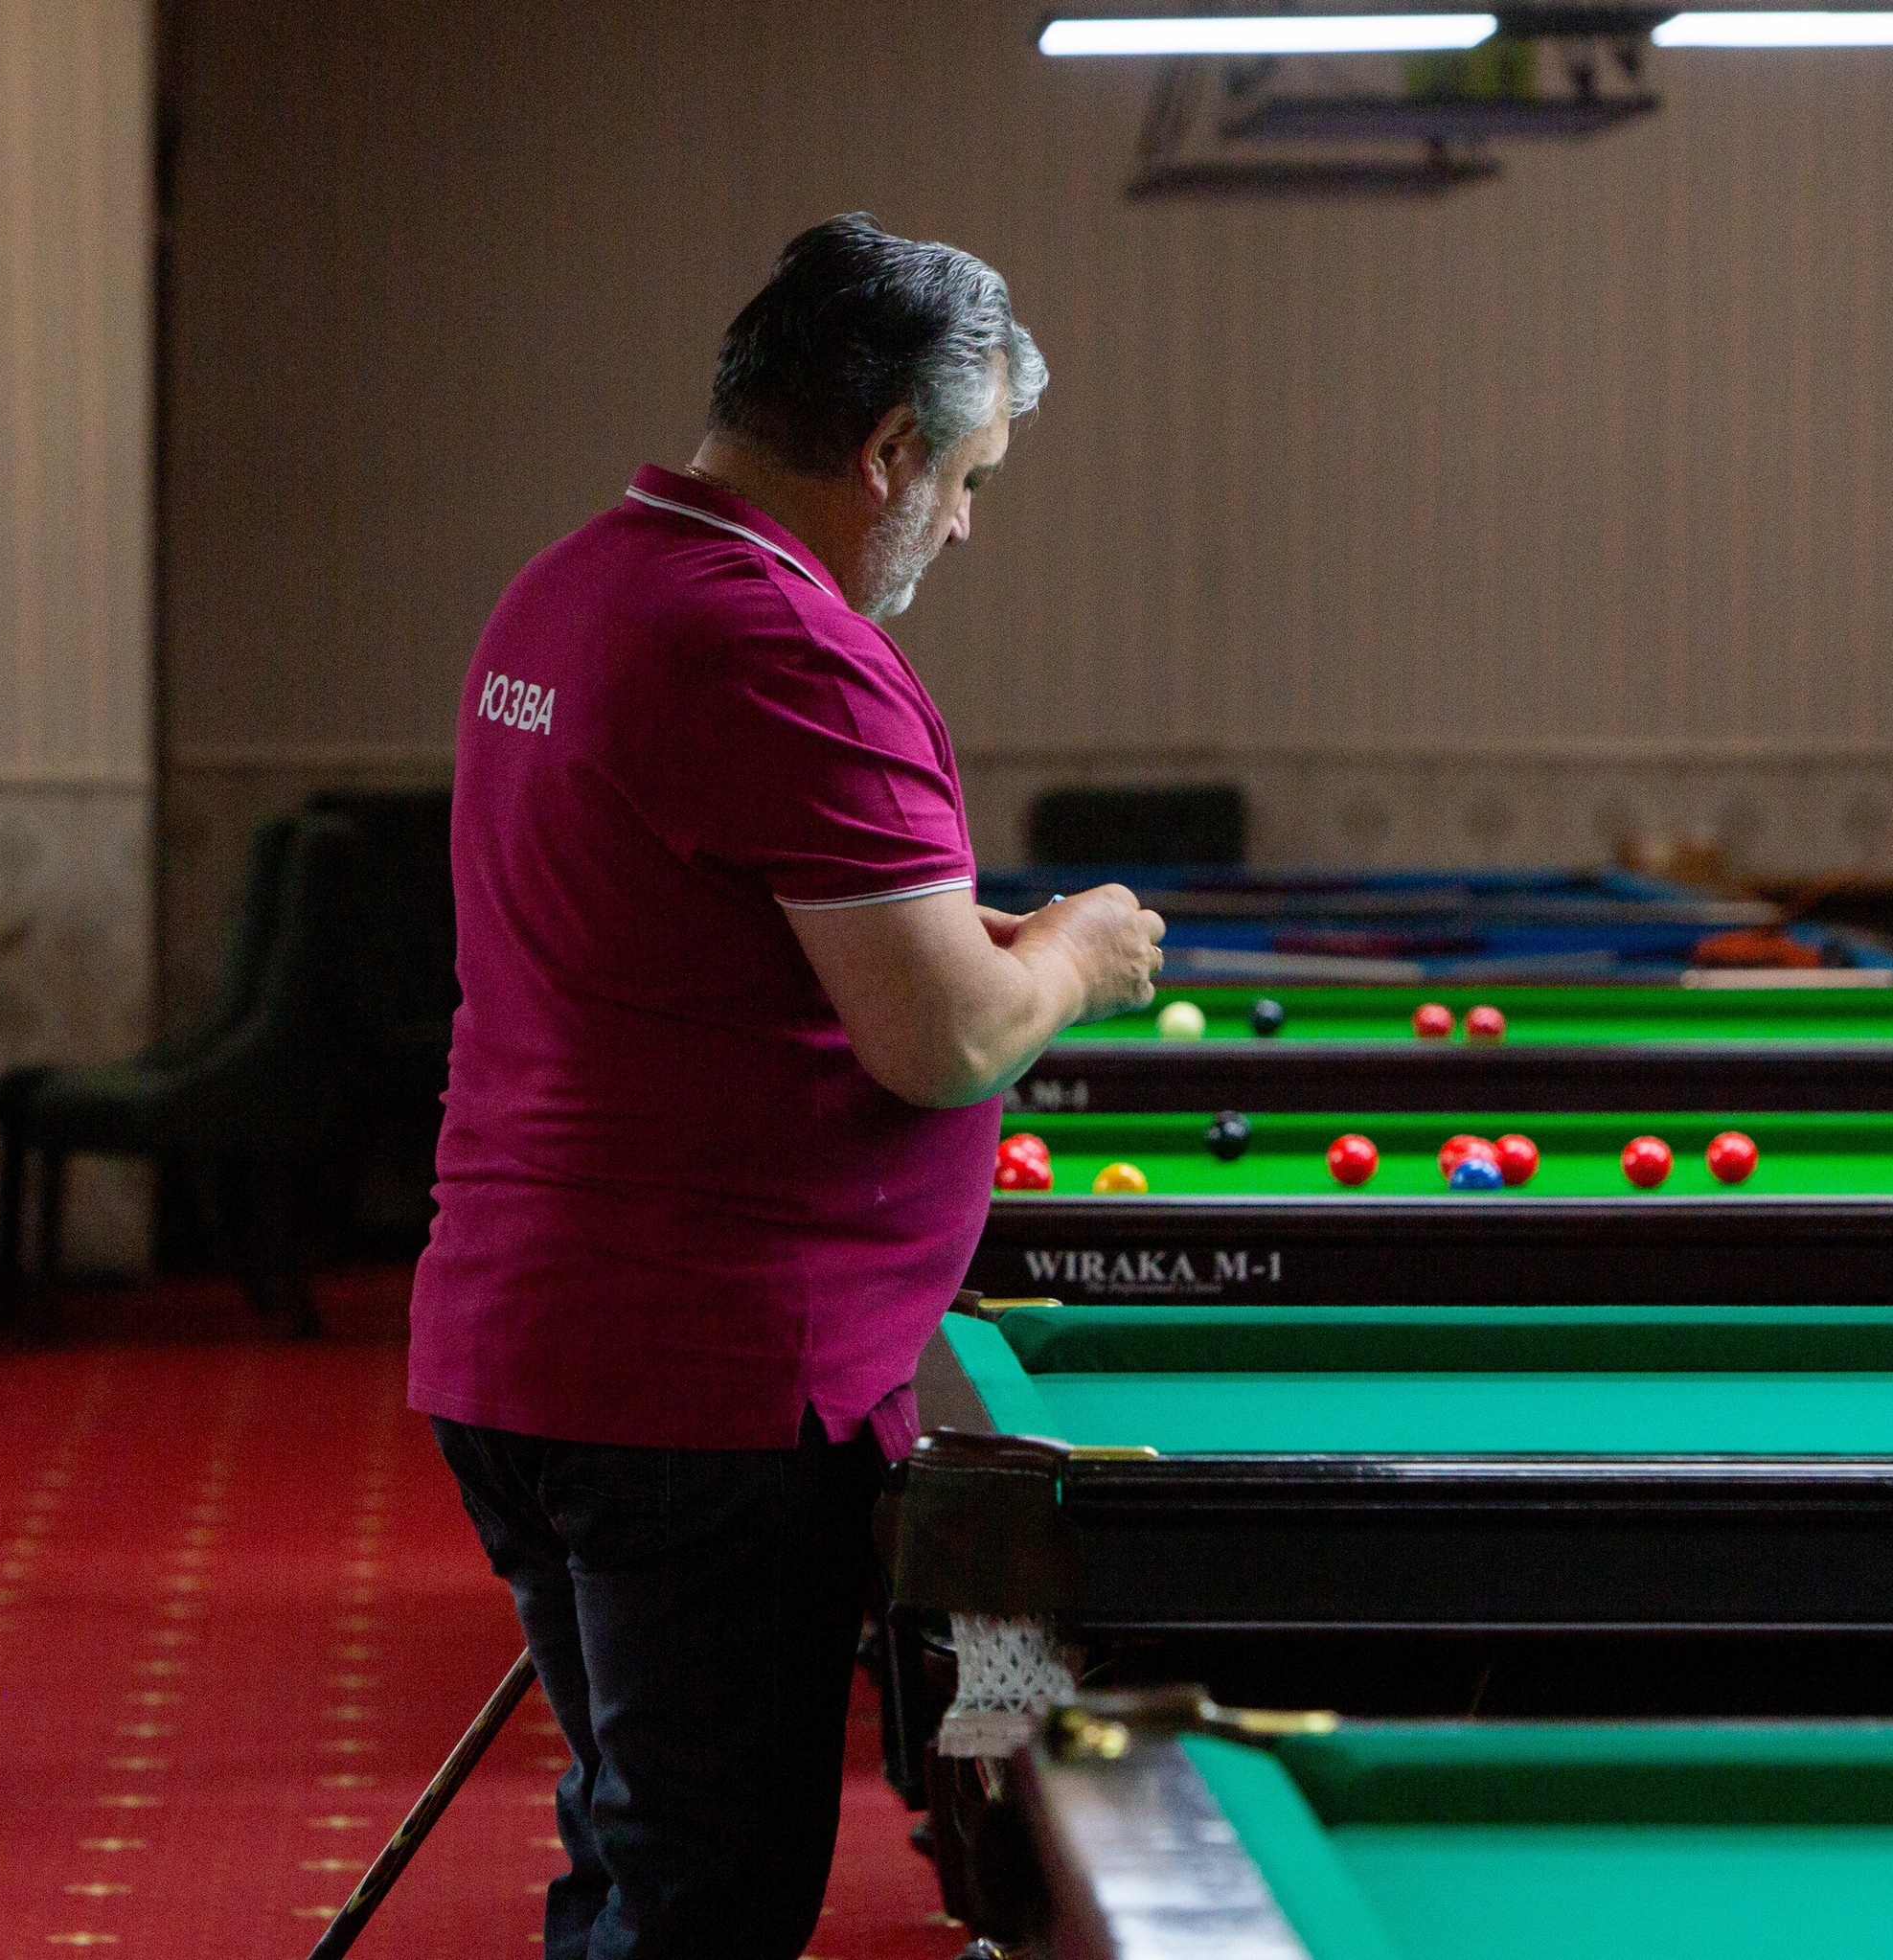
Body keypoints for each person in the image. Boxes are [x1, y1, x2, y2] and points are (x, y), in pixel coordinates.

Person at [408, 213, 1165, 1957]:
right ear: (887, 447)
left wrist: (947, 938)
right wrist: (1073, 955)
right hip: (702, 1384)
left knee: (635, 1857)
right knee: (703, 1902)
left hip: (534, 1338)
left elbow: (684, 923)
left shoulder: (569, 586)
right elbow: (942, 1042)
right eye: (966, 477)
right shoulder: (784, 643)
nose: (963, 523)